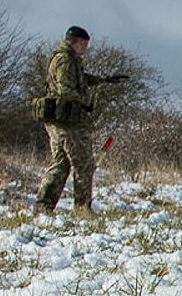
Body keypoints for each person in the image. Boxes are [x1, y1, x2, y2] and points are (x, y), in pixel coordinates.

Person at [37, 24, 127, 213]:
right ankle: (82, 209)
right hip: (68, 123)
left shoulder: (67, 59)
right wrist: (84, 101)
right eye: (85, 44)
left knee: (61, 164)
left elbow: (79, 78)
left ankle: (43, 207)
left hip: (60, 122)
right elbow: (65, 89)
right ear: (76, 42)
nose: (86, 48)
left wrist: (104, 79)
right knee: (84, 164)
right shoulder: (65, 60)